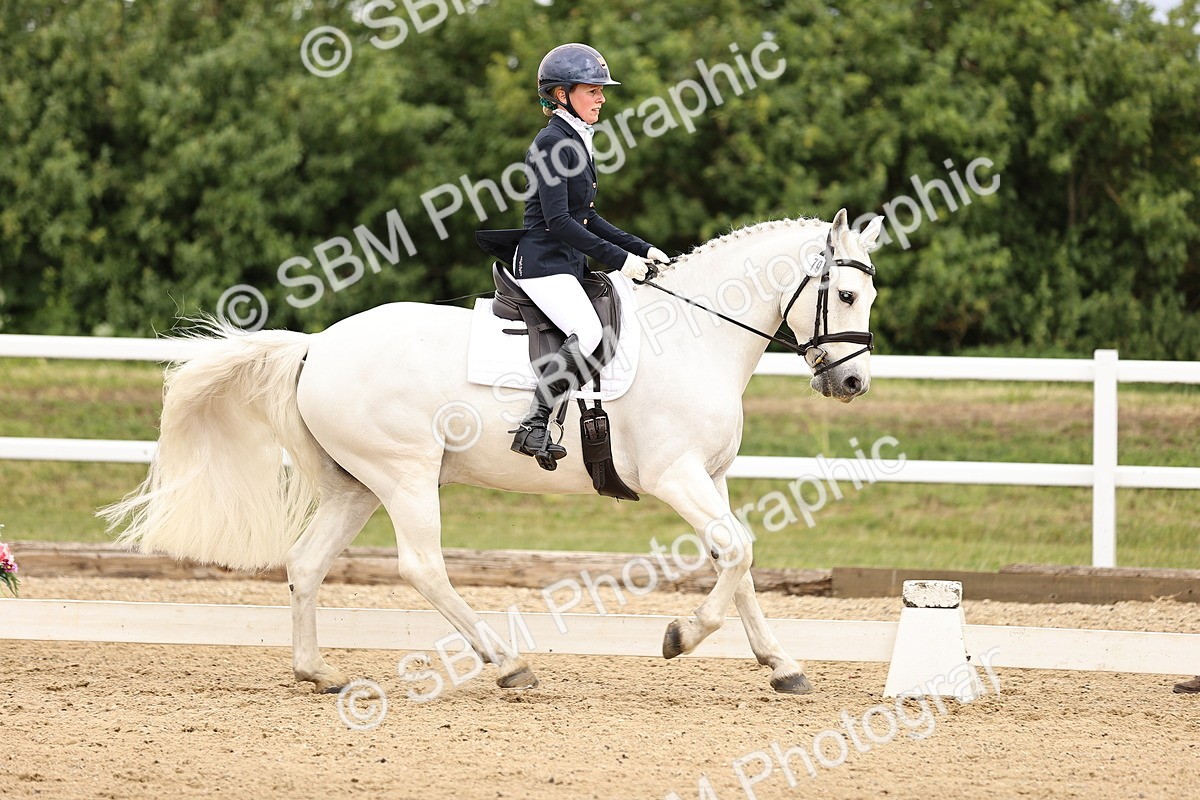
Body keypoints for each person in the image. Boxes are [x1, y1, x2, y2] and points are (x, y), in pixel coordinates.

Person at [504, 43, 670, 468]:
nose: (601, 99)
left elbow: (587, 217)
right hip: (543, 265)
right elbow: (560, 222)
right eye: (593, 90)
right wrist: (622, 261)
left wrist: (641, 248)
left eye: (601, 91)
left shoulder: (574, 139)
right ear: (562, 94)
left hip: (566, 264)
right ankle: (534, 424)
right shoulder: (551, 143)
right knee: (589, 332)